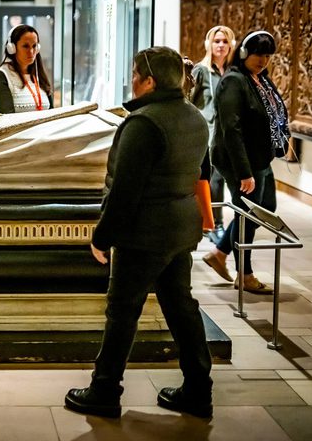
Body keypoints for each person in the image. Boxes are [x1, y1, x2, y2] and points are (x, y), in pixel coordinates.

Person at [64, 47, 213, 419]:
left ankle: (104, 390)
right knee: (181, 306)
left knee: (122, 311)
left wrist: (102, 236)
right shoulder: (194, 118)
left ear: (149, 81)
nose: (131, 78)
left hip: (143, 234)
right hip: (179, 229)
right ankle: (198, 389)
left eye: (135, 73)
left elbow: (124, 191)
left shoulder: (144, 124)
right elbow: (200, 174)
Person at [202, 30, 290, 294]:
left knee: (264, 209)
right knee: (248, 215)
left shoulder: (259, 78)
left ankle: (219, 253)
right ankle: (245, 273)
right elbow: (232, 129)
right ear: (243, 53)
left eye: (267, 55)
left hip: (261, 157)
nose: (263, 60)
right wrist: (244, 173)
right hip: (240, 162)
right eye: (257, 55)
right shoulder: (233, 81)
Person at [191, 25, 236, 244]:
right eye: (217, 41)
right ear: (209, 44)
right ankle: (208, 223)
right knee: (204, 181)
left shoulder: (233, 73)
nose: (221, 45)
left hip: (226, 138)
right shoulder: (200, 70)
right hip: (203, 136)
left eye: (225, 41)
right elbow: (188, 101)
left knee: (218, 181)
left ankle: (214, 224)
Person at [0, 24, 53, 114]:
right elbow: (8, 117)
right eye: (25, 46)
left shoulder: (39, 76)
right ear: (12, 48)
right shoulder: (1, 75)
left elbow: (51, 113)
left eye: (34, 46)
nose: (31, 52)